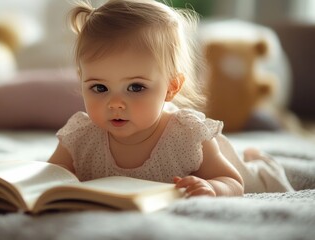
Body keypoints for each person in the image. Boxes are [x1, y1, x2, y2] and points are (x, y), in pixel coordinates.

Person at [48, 0, 294, 197]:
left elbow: (232, 181)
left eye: (135, 87)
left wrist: (213, 188)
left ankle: (259, 160)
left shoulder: (187, 135)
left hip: (245, 174)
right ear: (81, 82)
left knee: (261, 179)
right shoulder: (80, 137)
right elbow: (48, 176)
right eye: (99, 88)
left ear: (171, 87)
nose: (115, 103)